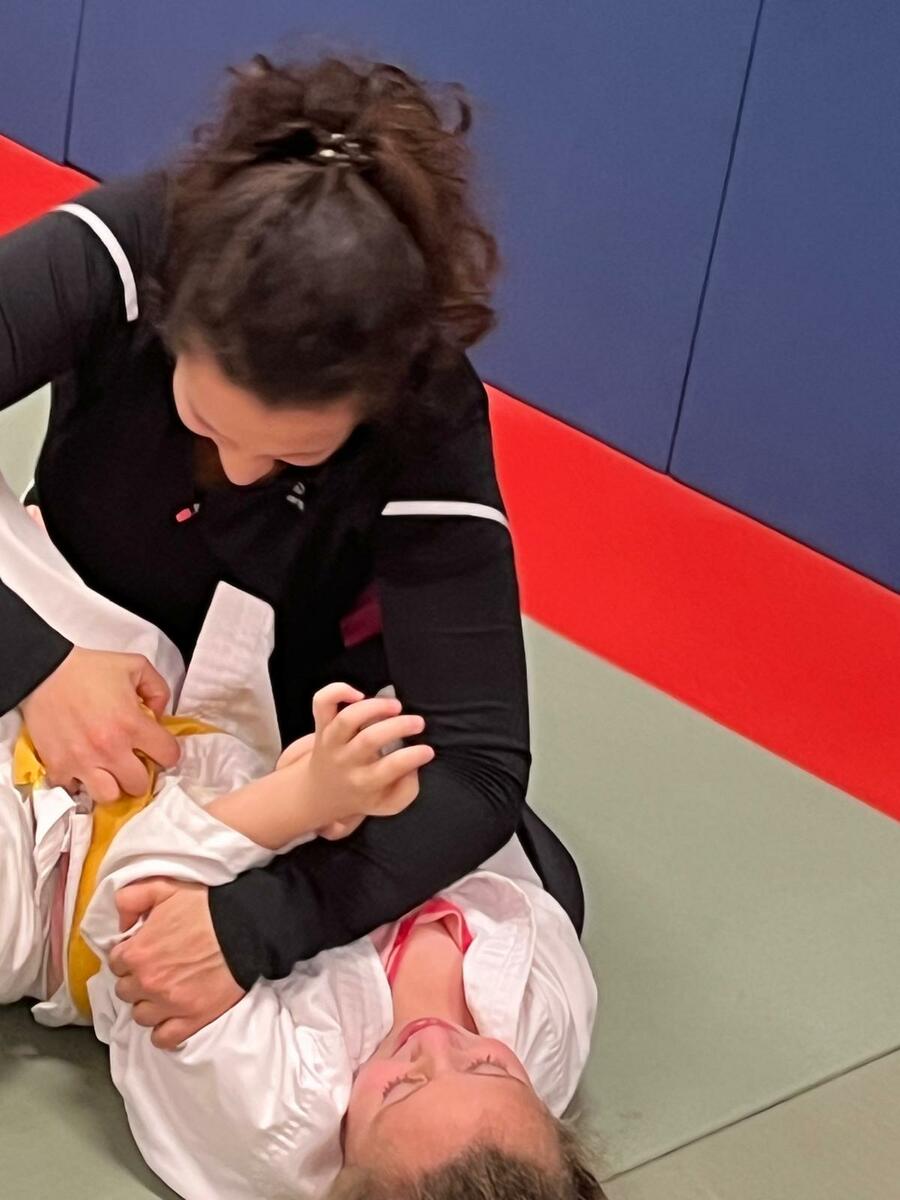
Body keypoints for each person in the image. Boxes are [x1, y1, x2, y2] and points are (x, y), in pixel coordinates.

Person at [0, 52, 535, 1043]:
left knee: (519, 947)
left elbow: (482, 766)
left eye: (294, 454)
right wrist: (34, 664)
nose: (243, 467)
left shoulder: (425, 402)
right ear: (173, 314)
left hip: (278, 758)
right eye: (206, 419)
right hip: (75, 631)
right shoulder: (141, 245)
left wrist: (255, 924)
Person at [0, 476, 602, 1200]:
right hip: (182, 723)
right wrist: (338, 795)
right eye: (489, 1066)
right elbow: (476, 824)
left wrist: (301, 803)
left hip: (46, 883)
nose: (437, 1043)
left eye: (400, 1087)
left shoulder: (271, 1125)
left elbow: (132, 905)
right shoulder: (543, 1033)